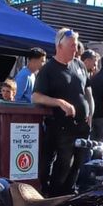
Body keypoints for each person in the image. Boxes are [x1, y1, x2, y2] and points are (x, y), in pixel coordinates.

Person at [32, 27, 90, 195]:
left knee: (79, 162)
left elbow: (87, 91)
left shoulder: (79, 64)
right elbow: (36, 97)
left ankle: (69, 195)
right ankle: (55, 196)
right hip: (61, 126)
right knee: (65, 163)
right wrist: (59, 102)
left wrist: (90, 112)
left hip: (82, 125)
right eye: (72, 45)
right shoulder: (49, 69)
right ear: (59, 46)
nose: (76, 49)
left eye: (76, 45)